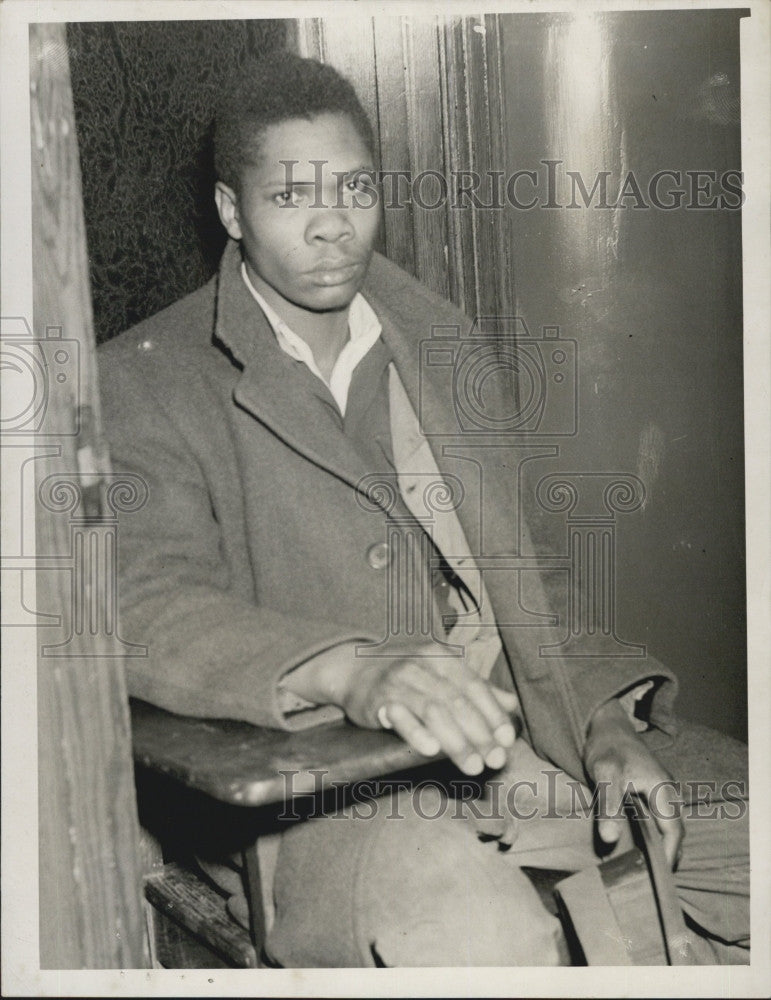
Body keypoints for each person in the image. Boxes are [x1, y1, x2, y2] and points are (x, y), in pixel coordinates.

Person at [98, 52, 749, 967]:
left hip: (521, 741)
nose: (332, 227)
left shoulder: (443, 342)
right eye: (290, 198)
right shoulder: (142, 380)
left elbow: (534, 582)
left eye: (354, 189)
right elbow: (144, 604)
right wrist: (349, 669)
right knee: (488, 939)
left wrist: (602, 722)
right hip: (320, 793)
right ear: (231, 213)